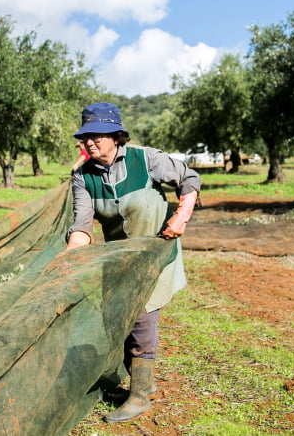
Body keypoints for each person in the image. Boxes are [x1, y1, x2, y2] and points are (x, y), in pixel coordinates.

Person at [65, 102, 200, 423]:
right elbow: (82, 225)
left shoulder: (145, 159)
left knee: (140, 317)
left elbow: (189, 177)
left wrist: (181, 217)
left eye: (98, 136)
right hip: (119, 259)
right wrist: (69, 257)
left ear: (116, 136)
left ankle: (140, 395)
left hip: (157, 253)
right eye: (86, 138)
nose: (90, 143)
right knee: (118, 320)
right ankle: (144, 381)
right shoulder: (83, 177)